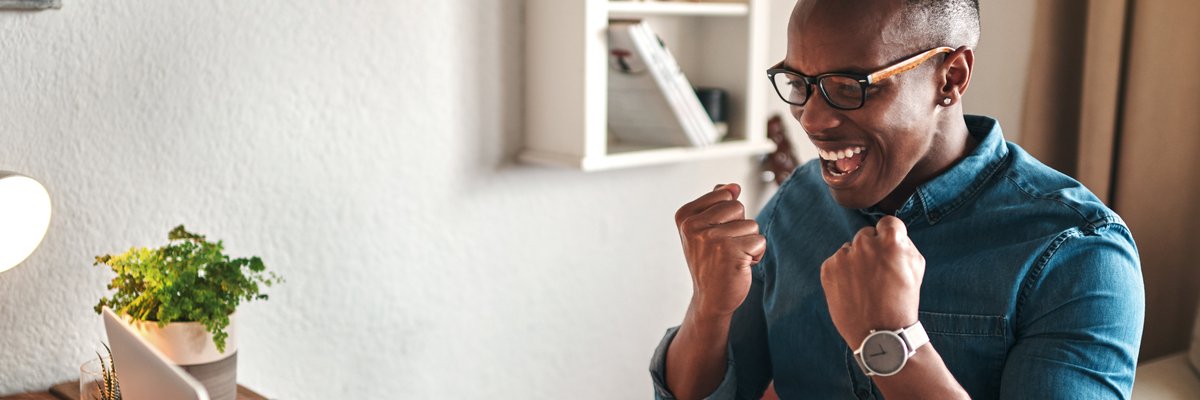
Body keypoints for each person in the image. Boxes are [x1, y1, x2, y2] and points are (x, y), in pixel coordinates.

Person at [648, 0, 1145, 398]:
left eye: (850, 87)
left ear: (949, 78)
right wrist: (709, 309)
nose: (812, 119)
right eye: (801, 83)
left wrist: (891, 341)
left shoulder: (1078, 253)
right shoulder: (796, 202)